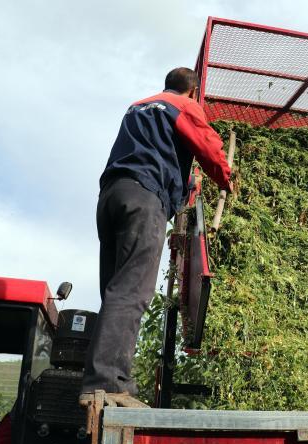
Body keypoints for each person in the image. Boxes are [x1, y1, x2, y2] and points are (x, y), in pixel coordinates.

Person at [80, 67, 232, 402]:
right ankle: (106, 382)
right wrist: (225, 177)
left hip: (111, 197)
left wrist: (187, 188)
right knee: (132, 292)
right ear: (192, 91)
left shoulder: (138, 107)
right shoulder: (183, 105)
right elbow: (209, 146)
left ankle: (101, 378)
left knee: (116, 291)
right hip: (144, 198)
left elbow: (156, 155)